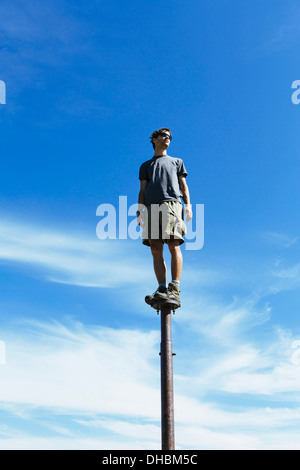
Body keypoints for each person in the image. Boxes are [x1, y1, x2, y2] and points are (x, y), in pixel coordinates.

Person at [137, 128, 192, 308]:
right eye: (164, 136)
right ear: (154, 139)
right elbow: (143, 190)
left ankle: (174, 286)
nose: (167, 138)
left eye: (170, 137)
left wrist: (188, 205)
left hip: (172, 204)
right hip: (151, 207)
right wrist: (139, 211)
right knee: (155, 247)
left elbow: (184, 186)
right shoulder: (146, 166)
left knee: (173, 243)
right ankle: (161, 288)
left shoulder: (177, 162)